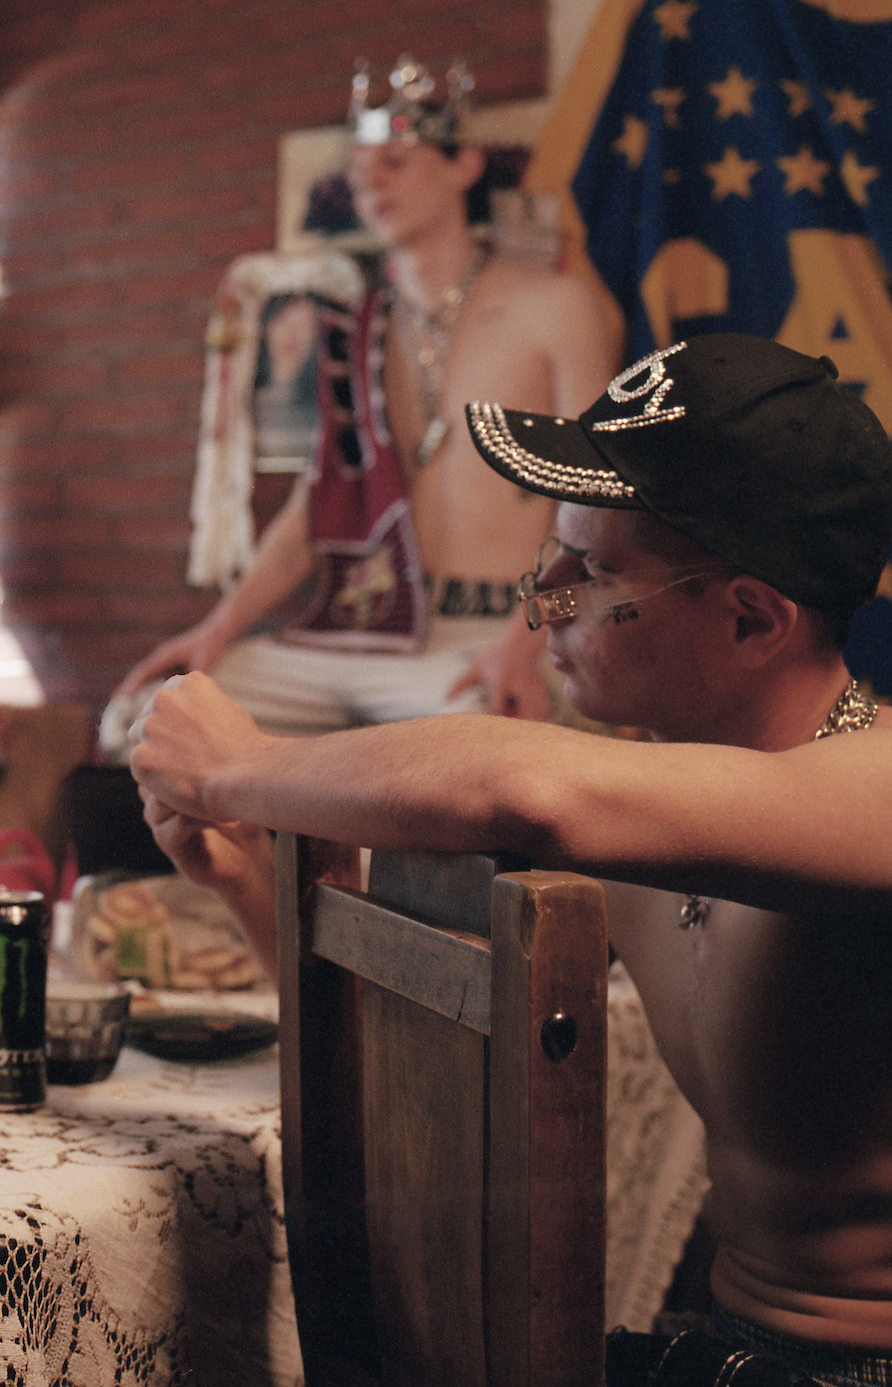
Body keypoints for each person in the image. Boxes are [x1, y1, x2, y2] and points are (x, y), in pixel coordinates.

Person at [131, 334, 892, 1384]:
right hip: (724, 1351)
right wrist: (251, 885)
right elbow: (421, 1073)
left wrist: (238, 768)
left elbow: (521, 788)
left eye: (595, 569)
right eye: (554, 548)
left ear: (750, 617)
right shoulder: (650, 809)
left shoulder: (875, 788)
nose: (542, 593)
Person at [111, 55, 617, 733]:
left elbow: (598, 500)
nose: (370, 181)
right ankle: (266, 846)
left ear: (464, 166)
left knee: (472, 742)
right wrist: (217, 629)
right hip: (367, 628)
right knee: (154, 721)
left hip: (496, 628)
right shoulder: (358, 329)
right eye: (357, 170)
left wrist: (527, 646)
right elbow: (311, 516)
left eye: (396, 162)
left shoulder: (557, 305)